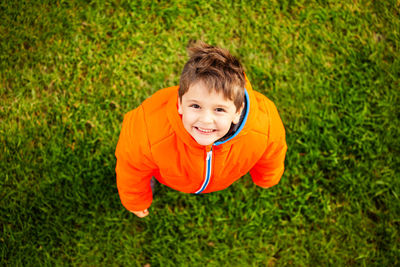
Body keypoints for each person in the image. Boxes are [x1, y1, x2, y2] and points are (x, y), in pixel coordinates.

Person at [115, 41, 287, 218]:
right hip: (168, 174)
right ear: (180, 104)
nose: (205, 120)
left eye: (219, 109)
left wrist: (266, 178)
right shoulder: (148, 128)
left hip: (225, 173)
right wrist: (135, 200)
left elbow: (273, 153)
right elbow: (130, 165)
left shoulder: (265, 125)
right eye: (195, 106)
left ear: (238, 111)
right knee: (142, 168)